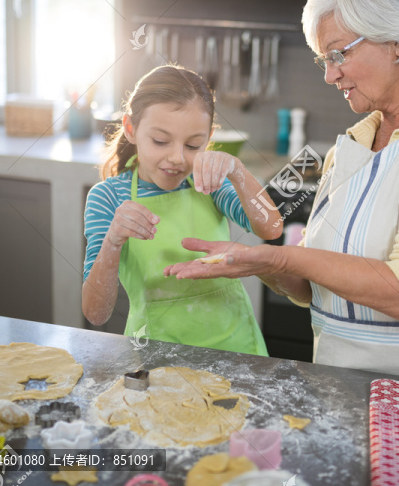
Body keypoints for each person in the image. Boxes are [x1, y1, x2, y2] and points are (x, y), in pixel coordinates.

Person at [165, 0, 399, 390]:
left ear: (396, 42)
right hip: (345, 389)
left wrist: (278, 256)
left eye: (337, 54)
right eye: (323, 60)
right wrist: (252, 261)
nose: (330, 75)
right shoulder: (346, 147)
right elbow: (312, 286)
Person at [82, 65, 282, 356]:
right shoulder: (109, 197)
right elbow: (95, 313)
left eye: (193, 145)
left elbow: (271, 228)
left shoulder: (210, 184)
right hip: (154, 355)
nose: (177, 158)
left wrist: (237, 171)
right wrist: (113, 240)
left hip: (237, 352)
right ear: (131, 129)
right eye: (160, 141)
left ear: (209, 137)